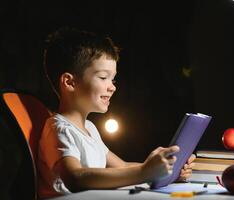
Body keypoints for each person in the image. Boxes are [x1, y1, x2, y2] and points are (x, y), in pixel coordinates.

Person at [38, 27, 196, 199]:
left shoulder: (89, 128)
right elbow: (75, 178)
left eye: (113, 79)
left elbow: (122, 166)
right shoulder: (59, 128)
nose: (112, 87)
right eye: (103, 77)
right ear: (70, 82)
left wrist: (164, 170)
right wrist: (145, 172)